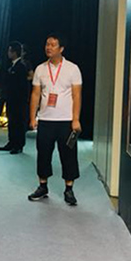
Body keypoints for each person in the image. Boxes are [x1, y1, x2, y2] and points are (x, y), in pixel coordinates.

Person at [28, 34, 83, 206]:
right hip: (45, 119)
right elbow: (35, 94)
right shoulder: (40, 69)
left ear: (61, 48)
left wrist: (76, 119)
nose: (48, 47)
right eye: (47, 44)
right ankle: (43, 186)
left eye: (53, 45)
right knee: (43, 154)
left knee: (68, 154)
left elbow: (77, 95)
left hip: (66, 120)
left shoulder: (72, 68)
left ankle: (69, 189)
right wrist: (32, 117)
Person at [0, 41, 32, 154]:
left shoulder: (21, 66)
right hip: (11, 99)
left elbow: (23, 86)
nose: (8, 53)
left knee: (18, 122)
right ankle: (11, 142)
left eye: (10, 51)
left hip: (19, 101)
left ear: (14, 52)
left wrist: (22, 100)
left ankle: (19, 145)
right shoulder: (12, 65)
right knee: (11, 121)